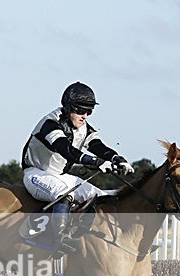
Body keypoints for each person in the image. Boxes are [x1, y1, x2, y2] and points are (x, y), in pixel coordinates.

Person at [21, 81, 134, 248]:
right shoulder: (50, 123)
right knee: (63, 193)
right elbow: (65, 149)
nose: (85, 116)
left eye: (89, 111)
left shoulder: (84, 127)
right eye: (80, 110)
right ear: (67, 108)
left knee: (100, 197)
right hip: (36, 173)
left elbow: (97, 146)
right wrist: (94, 162)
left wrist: (117, 158)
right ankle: (59, 239)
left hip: (60, 176)